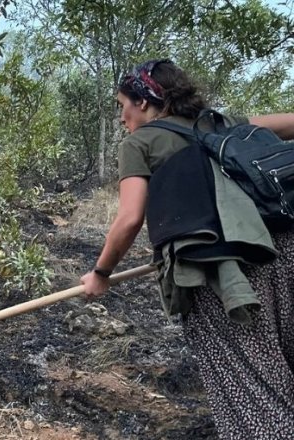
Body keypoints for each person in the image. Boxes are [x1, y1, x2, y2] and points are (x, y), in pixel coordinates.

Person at [79, 58, 294, 439]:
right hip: (283, 253)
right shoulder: (222, 123)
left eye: (121, 105)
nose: (121, 115)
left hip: (224, 272)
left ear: (142, 102)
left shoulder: (140, 142)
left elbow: (129, 219)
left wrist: (100, 274)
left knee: (253, 388)